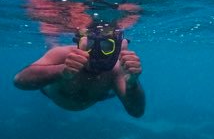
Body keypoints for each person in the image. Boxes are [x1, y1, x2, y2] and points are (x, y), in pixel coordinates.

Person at [13, 23, 145, 118]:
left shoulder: (117, 69)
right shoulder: (63, 55)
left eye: (107, 47)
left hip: (98, 96)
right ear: (80, 42)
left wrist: (132, 83)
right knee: (53, 49)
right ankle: (51, 41)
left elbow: (136, 111)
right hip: (49, 92)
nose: (97, 54)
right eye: (90, 45)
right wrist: (61, 71)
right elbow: (19, 81)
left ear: (116, 48)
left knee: (113, 91)